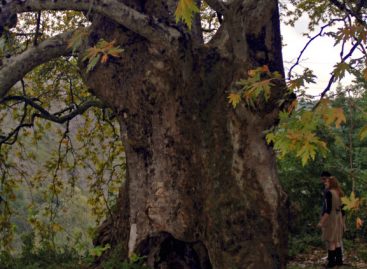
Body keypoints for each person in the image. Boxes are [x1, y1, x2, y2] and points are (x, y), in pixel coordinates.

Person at [317, 175, 345, 267]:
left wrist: (321, 222)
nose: (325, 183)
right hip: (339, 217)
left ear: (331, 183)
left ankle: (331, 263)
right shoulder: (339, 192)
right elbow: (343, 209)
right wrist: (343, 222)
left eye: (327, 182)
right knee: (337, 240)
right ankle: (339, 261)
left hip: (332, 218)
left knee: (331, 240)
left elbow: (327, 210)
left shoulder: (329, 193)